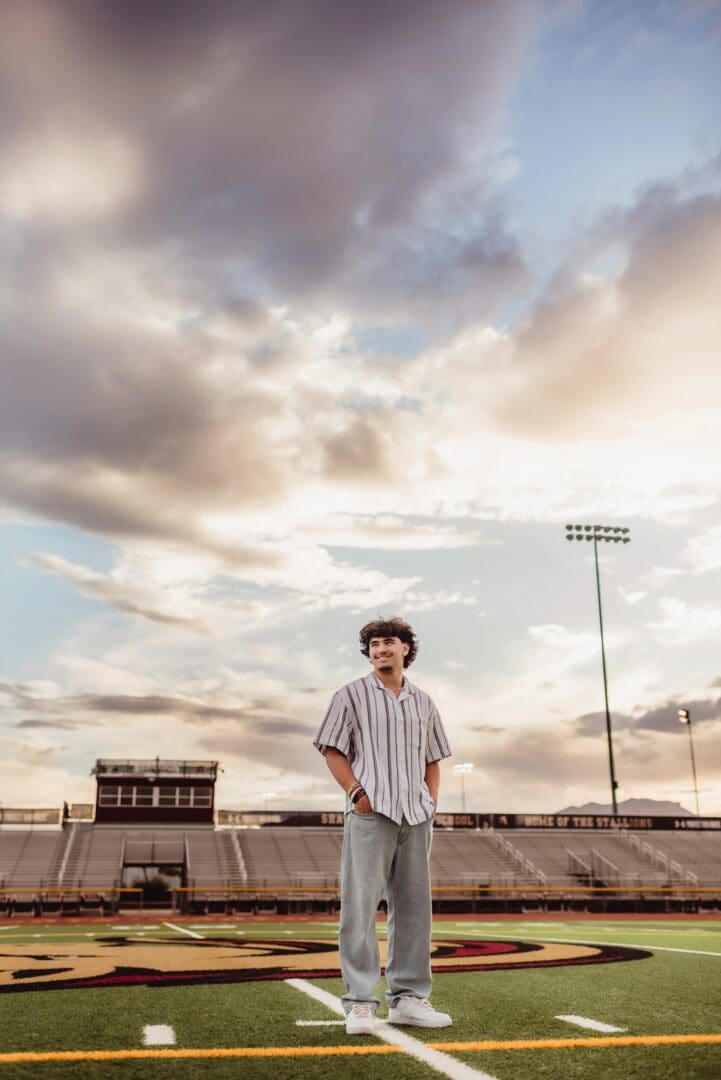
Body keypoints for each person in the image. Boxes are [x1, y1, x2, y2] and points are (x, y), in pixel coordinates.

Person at [313, 616, 453, 1036]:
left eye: (388, 642)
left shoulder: (423, 702)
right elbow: (332, 750)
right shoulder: (351, 695)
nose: (380, 650)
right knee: (359, 908)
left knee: (413, 910)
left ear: (406, 648)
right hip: (370, 815)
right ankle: (359, 1002)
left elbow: (433, 757)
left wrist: (431, 801)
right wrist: (357, 794)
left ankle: (409, 999)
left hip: (415, 815)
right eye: (374, 644)